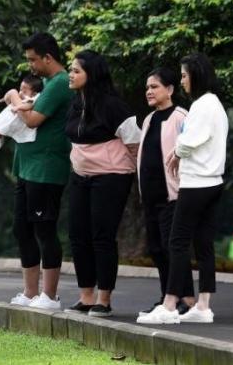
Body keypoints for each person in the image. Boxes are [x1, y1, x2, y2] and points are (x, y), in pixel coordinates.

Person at [137, 53, 228, 325]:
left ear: (196, 76)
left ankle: (169, 304)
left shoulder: (201, 105)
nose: (184, 80)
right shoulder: (214, 105)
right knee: (203, 245)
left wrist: (177, 151)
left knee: (176, 242)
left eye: (185, 76)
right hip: (211, 180)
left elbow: (190, 140)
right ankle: (203, 305)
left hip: (196, 182)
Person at [63, 50, 141, 317]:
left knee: (102, 236)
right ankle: (86, 296)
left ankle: (104, 299)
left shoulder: (113, 105)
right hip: (80, 175)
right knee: (77, 234)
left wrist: (132, 173)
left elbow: (134, 142)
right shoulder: (76, 103)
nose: (70, 75)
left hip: (111, 176)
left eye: (76, 71)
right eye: (71, 70)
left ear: (91, 74)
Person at [2, 33, 73, 310]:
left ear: (48, 57)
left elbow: (32, 120)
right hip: (27, 167)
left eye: (33, 59)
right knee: (22, 228)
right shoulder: (45, 84)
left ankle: (50, 296)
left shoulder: (58, 85)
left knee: (44, 229)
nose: (30, 65)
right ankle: (31, 292)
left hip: (46, 168)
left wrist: (13, 97)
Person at [135, 67, 194, 317]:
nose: (149, 91)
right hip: (151, 195)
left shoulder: (181, 116)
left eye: (154, 87)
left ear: (169, 90)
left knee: (174, 248)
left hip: (173, 195)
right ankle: (167, 297)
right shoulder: (149, 119)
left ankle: (184, 298)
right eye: (147, 87)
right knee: (157, 248)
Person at [0, 74, 44, 150]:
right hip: (15, 113)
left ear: (34, 93)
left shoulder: (31, 99)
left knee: (1, 123)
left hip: (17, 117)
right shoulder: (24, 96)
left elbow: (29, 106)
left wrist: (18, 107)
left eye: (24, 91)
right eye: (20, 89)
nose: (21, 92)